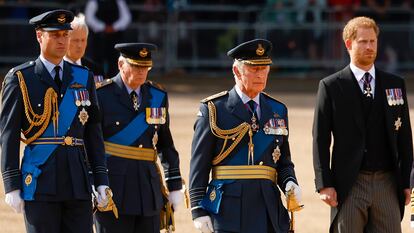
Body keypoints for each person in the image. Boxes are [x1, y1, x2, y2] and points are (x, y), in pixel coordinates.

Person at [0, 9, 111, 233]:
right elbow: (9, 134)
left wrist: (101, 178)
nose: (62, 40)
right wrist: (11, 184)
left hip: (78, 182)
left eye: (65, 34)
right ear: (39, 36)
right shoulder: (21, 78)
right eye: (55, 35)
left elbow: (93, 134)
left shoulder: (84, 76)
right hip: (40, 180)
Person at [189, 39, 302, 233]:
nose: (261, 74)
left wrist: (289, 181)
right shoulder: (214, 109)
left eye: (264, 68)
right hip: (228, 210)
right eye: (254, 69)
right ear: (236, 71)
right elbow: (199, 164)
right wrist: (198, 209)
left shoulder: (277, 109)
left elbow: (283, 160)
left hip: (268, 208)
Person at [313, 16, 413, 233]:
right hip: (349, 184)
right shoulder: (330, 86)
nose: (370, 47)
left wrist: (406, 182)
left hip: (387, 183)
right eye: (363, 41)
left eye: (373, 41)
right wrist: (324, 183)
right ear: (349, 44)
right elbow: (320, 139)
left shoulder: (395, 84)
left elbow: (405, 137)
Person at [94, 42, 184, 233]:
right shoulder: (102, 94)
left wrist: (174, 184)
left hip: (147, 190)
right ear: (121, 65)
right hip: (113, 189)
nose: (142, 71)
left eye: (146, 67)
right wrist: (94, 181)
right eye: (136, 66)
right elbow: (91, 144)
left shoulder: (157, 96)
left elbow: (165, 144)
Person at [84, 0, 131, 78]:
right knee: (96, 62)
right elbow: (89, 18)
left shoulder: (119, 2)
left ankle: (113, 83)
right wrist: (103, 27)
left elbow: (126, 17)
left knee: (115, 62)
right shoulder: (94, 2)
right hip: (98, 39)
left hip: (115, 39)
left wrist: (114, 27)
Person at [64, 13, 105, 83]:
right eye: (75, 40)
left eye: (83, 40)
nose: (80, 45)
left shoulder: (95, 69)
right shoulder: (55, 68)